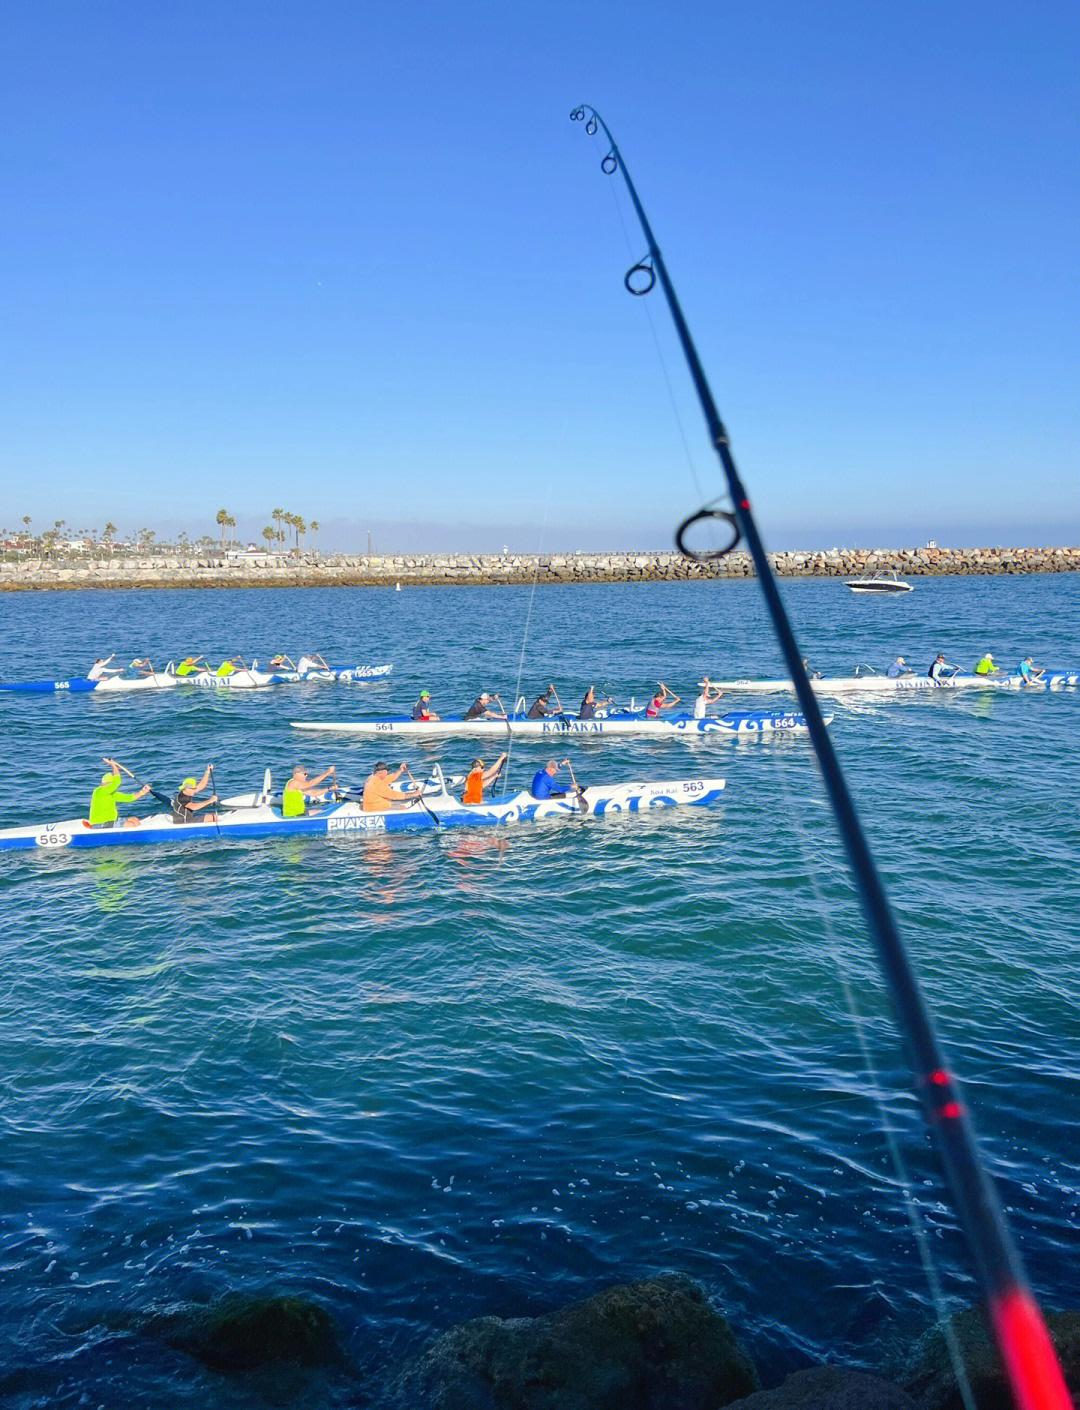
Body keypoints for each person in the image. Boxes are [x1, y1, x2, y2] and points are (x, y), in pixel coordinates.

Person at [88, 759, 151, 829]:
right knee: (131, 825)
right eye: (110, 784)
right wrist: (113, 765)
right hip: (100, 823)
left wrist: (142, 792)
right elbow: (117, 782)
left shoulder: (112, 793)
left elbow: (129, 798)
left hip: (112, 821)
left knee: (134, 820)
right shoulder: (99, 791)